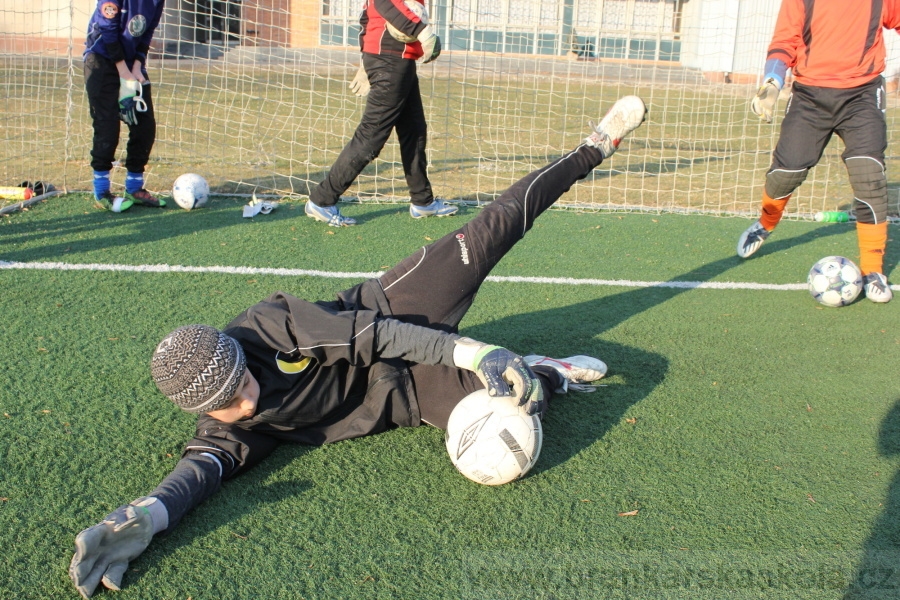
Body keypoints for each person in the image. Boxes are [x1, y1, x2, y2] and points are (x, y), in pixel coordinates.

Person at [68, 96, 648, 598]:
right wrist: (148, 516)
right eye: (228, 403)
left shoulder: (271, 326)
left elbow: (380, 334)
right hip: (402, 394)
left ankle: (594, 145)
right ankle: (549, 371)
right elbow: (198, 473)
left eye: (242, 379)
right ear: (203, 411)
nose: (246, 399)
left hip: (389, 311)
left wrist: (475, 352)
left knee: (490, 229)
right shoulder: (226, 429)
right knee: (520, 399)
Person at [738, 0, 898, 302]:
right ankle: (765, 224)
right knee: (785, 174)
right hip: (810, 96)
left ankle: (873, 270)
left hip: (863, 95)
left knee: (869, 175)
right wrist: (772, 80)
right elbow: (785, 39)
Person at [305, 0, 452, 226]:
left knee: (414, 130)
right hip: (390, 62)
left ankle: (423, 201)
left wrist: (365, 60)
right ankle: (322, 200)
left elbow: (366, 18)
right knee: (371, 136)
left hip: (398, 61)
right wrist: (423, 33)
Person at [83, 0, 167, 213]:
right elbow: (108, 29)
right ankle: (102, 191)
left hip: (131, 65)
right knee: (107, 127)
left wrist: (137, 66)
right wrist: (123, 72)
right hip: (101, 60)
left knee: (144, 125)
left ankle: (134, 188)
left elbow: (147, 32)